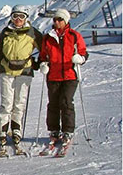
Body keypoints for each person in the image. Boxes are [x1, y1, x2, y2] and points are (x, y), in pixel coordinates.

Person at [38, 8, 88, 144]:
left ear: (65, 21)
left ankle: (68, 130)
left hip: (70, 75)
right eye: (55, 19)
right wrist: (43, 64)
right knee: (53, 104)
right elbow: (43, 55)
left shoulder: (74, 35)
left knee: (66, 102)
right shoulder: (48, 37)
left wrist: (80, 58)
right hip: (53, 76)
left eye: (59, 19)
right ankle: (54, 130)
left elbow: (83, 52)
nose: (56, 21)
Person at [0, 5, 42, 147]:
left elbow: (44, 49)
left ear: (26, 18)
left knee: (19, 102)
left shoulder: (32, 33)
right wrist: (0, 65)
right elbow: (0, 51)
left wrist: (39, 63)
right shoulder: (6, 32)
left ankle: (16, 129)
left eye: (21, 16)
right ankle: (2, 130)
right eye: (15, 16)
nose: (18, 19)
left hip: (24, 71)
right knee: (6, 103)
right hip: (7, 71)